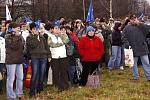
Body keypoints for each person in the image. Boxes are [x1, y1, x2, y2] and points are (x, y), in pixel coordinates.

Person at [26, 22, 51, 98]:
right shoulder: (29, 37)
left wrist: (49, 55)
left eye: (37, 29)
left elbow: (46, 47)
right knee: (35, 74)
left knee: (42, 74)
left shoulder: (42, 37)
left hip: (43, 57)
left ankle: (40, 90)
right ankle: (32, 92)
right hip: (35, 57)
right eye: (34, 29)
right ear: (31, 30)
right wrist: (36, 37)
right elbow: (32, 46)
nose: (36, 30)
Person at [123, 15, 150, 81]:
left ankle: (149, 77)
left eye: (134, 18)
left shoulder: (141, 26)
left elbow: (148, 30)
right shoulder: (126, 28)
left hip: (142, 47)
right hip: (132, 49)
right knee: (133, 64)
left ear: (136, 19)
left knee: (146, 63)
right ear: (130, 20)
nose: (133, 20)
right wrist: (127, 45)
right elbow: (124, 38)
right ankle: (136, 77)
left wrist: (140, 23)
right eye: (132, 19)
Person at [5, 22, 25, 99]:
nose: (18, 29)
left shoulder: (20, 36)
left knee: (20, 78)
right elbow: (13, 46)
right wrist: (17, 37)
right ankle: (11, 96)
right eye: (17, 27)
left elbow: (23, 44)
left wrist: (18, 36)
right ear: (12, 28)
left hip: (19, 60)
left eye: (19, 28)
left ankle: (19, 93)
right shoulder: (7, 36)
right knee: (11, 79)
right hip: (11, 61)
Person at [48, 23, 70, 91]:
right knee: (55, 72)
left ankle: (65, 86)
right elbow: (51, 45)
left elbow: (66, 41)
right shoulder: (50, 37)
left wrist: (60, 38)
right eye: (55, 28)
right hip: (54, 57)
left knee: (64, 71)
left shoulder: (64, 35)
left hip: (63, 56)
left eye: (58, 28)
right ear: (53, 30)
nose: (57, 30)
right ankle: (57, 86)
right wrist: (61, 44)